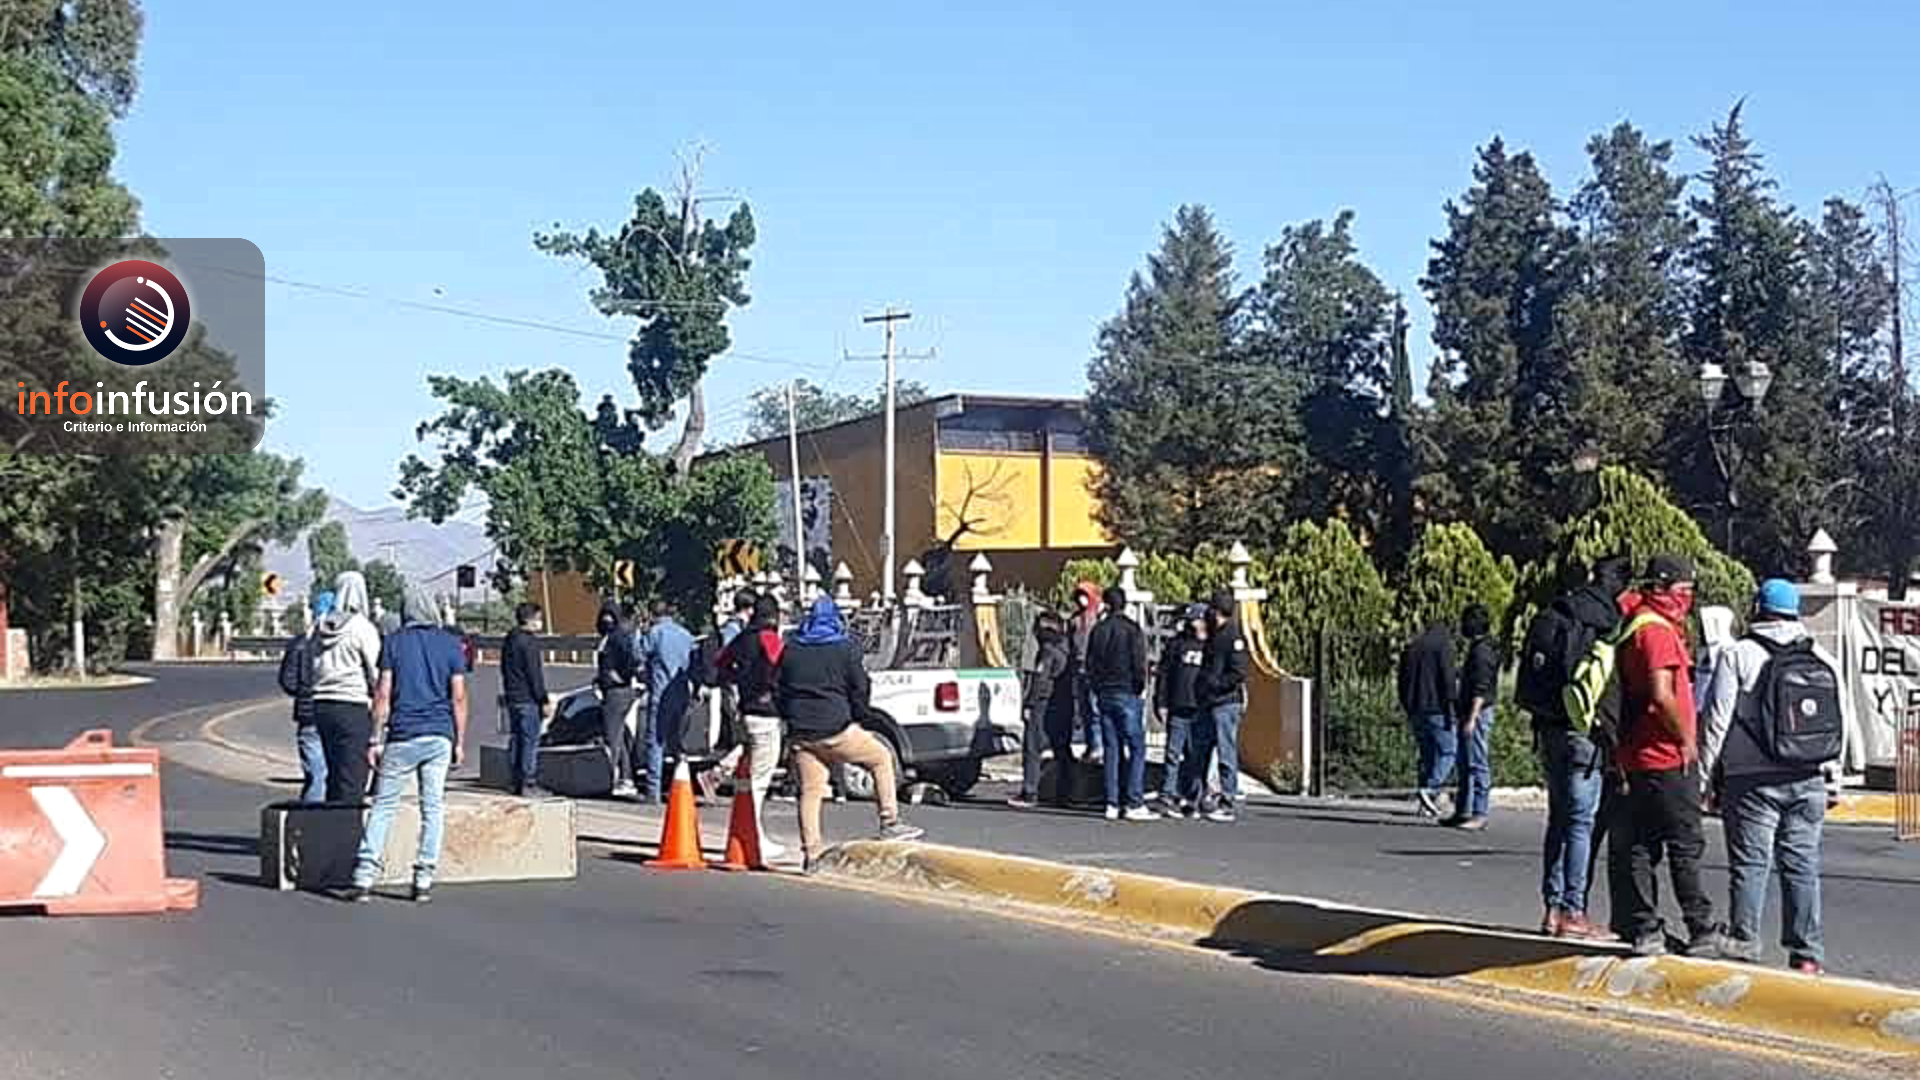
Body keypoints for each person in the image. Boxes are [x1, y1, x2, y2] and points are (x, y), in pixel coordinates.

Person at [1701, 579, 1840, 974]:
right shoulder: (1822, 656)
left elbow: (1717, 721)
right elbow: (1834, 723)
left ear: (1757, 608)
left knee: (1751, 863)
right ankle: (1807, 953)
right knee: (1802, 864)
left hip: (1752, 780)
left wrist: (1705, 779)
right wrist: (1834, 779)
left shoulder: (1737, 654)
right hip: (1810, 776)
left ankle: (1745, 938)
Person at [1612, 555, 1722, 958]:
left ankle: (1645, 928)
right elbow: (1661, 695)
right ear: (1664, 589)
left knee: (1641, 843)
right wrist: (1686, 739)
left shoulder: (1633, 622)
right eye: (1684, 591)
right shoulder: (1656, 632)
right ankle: (1701, 927)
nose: (1687, 599)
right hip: (1664, 755)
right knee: (1684, 842)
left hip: (1636, 754)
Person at [1518, 555, 1632, 940]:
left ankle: (1551, 909)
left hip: (1548, 727)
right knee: (1582, 823)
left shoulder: (1557, 611)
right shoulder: (1607, 620)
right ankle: (1573, 911)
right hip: (1585, 731)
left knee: (1559, 818)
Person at [777, 596, 924, 870]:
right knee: (881, 759)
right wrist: (860, 714)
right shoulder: (844, 648)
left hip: (802, 732)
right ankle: (889, 820)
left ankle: (811, 855)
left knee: (810, 792)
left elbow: (779, 689)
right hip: (836, 728)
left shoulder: (792, 649)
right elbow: (860, 686)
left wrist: (790, 719)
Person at [346, 584, 469, 903]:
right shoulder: (451, 644)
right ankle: (423, 878)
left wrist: (375, 738)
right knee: (432, 807)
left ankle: (364, 875)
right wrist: (459, 741)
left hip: (402, 734)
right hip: (439, 735)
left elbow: (383, 694)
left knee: (384, 806)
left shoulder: (394, 644)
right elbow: (458, 696)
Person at [718, 593, 787, 859]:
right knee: (759, 780)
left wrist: (736, 681)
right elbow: (781, 665)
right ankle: (754, 836)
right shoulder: (768, 637)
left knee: (747, 775)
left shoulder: (742, 637)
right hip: (766, 713)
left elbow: (720, 662)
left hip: (744, 711)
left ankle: (746, 832)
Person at [308, 571, 383, 804]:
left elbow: (311, 663)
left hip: (321, 705)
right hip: (352, 706)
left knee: (334, 770)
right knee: (353, 774)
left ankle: (330, 824)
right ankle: (347, 831)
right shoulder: (362, 628)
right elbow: (376, 671)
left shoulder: (318, 626)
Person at [1086, 585, 1154, 822]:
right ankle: (1134, 800)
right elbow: (1139, 663)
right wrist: (1139, 687)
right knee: (1136, 747)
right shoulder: (1132, 630)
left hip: (1104, 693)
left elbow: (1090, 663)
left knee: (1111, 748)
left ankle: (1112, 802)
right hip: (1126, 692)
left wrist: (1097, 687)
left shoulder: (1099, 630)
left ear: (1106, 604)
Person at [635, 600, 696, 804]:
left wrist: (640, 631)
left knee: (656, 742)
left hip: (661, 695)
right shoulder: (685, 634)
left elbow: (638, 654)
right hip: (682, 693)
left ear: (652, 615)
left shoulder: (655, 633)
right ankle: (683, 783)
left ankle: (653, 791)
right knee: (676, 741)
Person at [277, 590, 334, 803]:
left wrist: (303, 692)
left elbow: (287, 681)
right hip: (336, 713)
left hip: (307, 715)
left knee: (316, 774)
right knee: (333, 773)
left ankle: (311, 821)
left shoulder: (299, 643)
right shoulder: (338, 642)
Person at [1154, 604, 1210, 818]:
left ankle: (1194, 797)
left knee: (1196, 756)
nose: (1191, 623)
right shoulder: (1177, 644)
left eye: (1195, 619)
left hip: (1201, 708)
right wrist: (1161, 702)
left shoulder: (1212, 646)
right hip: (1179, 706)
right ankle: (1168, 795)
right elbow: (1164, 675)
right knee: (1172, 754)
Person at [1398, 620, 1458, 819]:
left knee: (1427, 755)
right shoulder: (1443, 647)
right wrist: (1453, 704)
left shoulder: (1412, 647)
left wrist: (1407, 704)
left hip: (1416, 708)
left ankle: (1426, 804)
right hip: (1437, 708)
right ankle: (1430, 790)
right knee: (1448, 751)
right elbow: (1448, 679)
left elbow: (1401, 680)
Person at [1012, 611, 1072, 809]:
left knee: (1032, 746)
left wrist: (1029, 704)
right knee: (1061, 748)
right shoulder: (1066, 650)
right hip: (1063, 703)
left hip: (1044, 704)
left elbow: (1041, 681)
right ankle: (1065, 792)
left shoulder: (1047, 652)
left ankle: (1030, 791)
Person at [1198, 591, 1249, 823]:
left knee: (1225, 751)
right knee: (1205, 750)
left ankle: (1227, 799)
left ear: (1217, 611)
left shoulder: (1232, 636)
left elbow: (1238, 672)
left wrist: (1215, 685)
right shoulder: (1215, 635)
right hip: (1211, 701)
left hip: (1226, 702)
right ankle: (1205, 795)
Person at [1447, 603, 1498, 831]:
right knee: (1465, 762)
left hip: (1476, 712)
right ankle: (1463, 809)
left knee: (1477, 762)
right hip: (1470, 710)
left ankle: (1479, 812)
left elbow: (1481, 688)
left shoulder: (1481, 652)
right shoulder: (1481, 648)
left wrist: (1472, 718)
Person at [500, 601, 550, 798]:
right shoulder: (529, 643)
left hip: (513, 696)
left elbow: (504, 669)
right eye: (538, 619)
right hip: (528, 699)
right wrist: (543, 699)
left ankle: (514, 781)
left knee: (516, 739)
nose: (540, 622)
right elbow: (534, 675)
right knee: (530, 741)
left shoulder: (510, 639)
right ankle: (528, 782)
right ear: (530, 620)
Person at [593, 602, 641, 799]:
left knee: (612, 738)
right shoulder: (607, 638)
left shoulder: (618, 638)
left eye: (610, 616)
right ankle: (626, 778)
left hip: (617, 692)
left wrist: (618, 677)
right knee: (619, 738)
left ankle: (609, 779)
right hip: (612, 691)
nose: (606, 620)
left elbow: (630, 662)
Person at [1067, 581, 1105, 765]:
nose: (1081, 599)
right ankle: (1091, 745)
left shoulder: (1098, 619)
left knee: (1095, 709)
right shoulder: (1074, 619)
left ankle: (1098, 746)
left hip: (1094, 670)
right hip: (1078, 669)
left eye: (1085, 595)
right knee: (1084, 710)